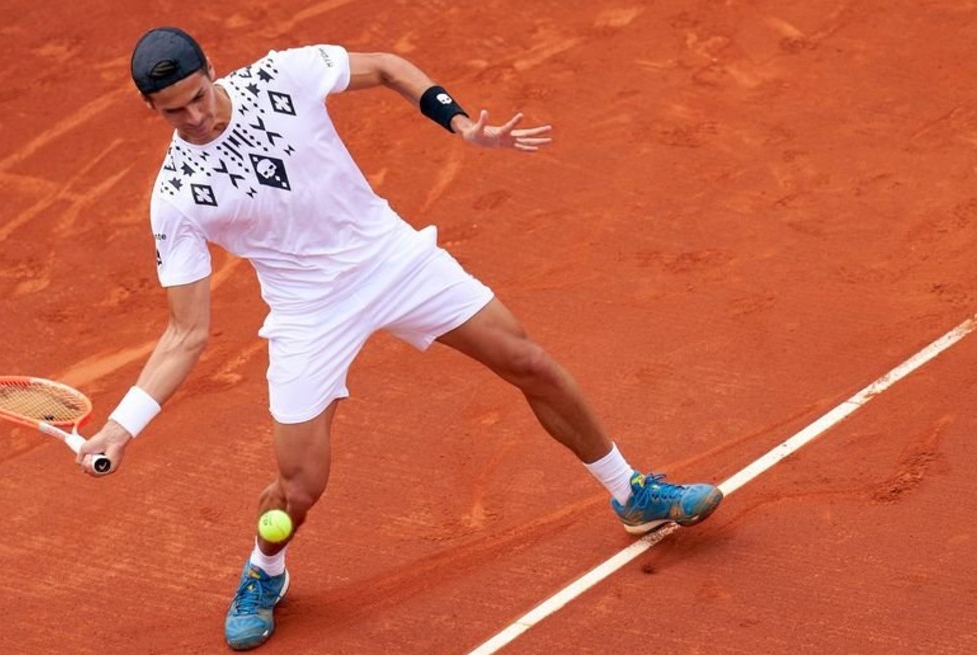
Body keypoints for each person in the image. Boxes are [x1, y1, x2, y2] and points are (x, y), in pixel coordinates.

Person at [77, 26, 724, 651]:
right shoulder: (177, 197)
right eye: (173, 111)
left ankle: (631, 492)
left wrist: (462, 123)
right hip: (310, 313)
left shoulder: (283, 75)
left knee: (528, 360)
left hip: (392, 259)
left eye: (197, 96)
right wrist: (121, 426)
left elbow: (386, 66)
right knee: (298, 488)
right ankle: (264, 569)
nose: (193, 116)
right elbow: (187, 330)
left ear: (212, 69)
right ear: (150, 108)